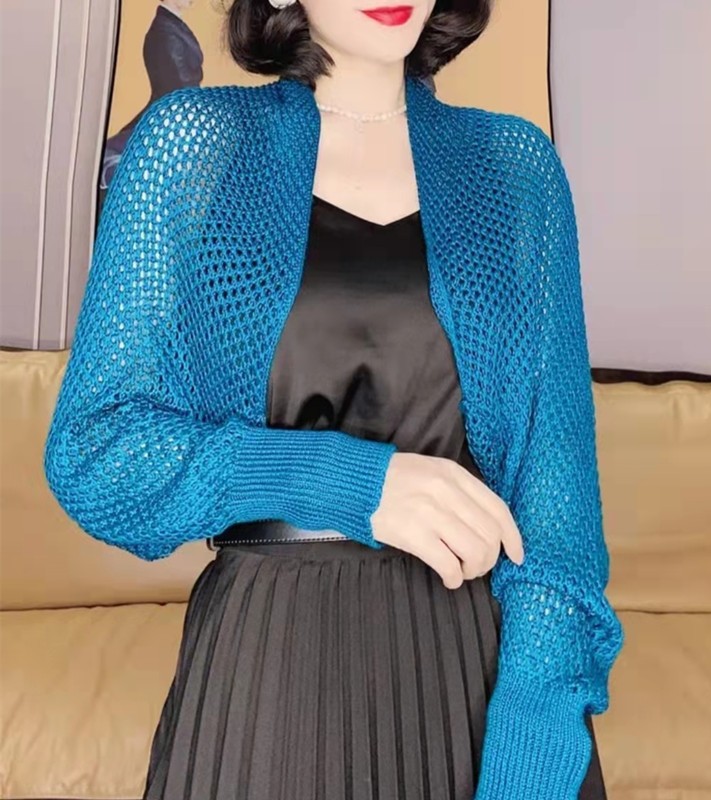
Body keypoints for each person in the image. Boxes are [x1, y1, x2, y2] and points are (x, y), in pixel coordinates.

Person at [43, 0, 625, 798]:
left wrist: (535, 736)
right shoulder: (193, 146)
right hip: (269, 664)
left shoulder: (513, 167)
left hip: (473, 664)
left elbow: (560, 507)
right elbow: (96, 451)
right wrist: (350, 482)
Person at [100, 0, 203, 197]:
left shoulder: (175, 26)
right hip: (169, 115)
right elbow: (178, 84)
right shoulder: (164, 31)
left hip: (178, 112)